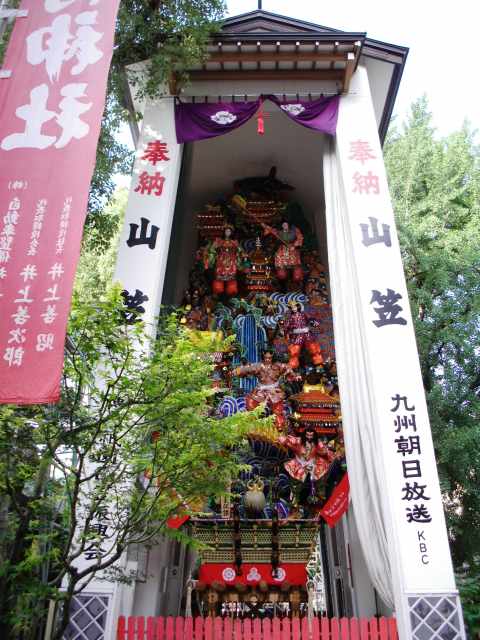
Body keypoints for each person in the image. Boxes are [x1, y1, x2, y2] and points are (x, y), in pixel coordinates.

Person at [234, 352, 299, 430]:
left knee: (278, 409)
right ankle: (253, 425)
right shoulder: (258, 366)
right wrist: (237, 371)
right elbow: (247, 368)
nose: (267, 360)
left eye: (269, 358)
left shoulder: (278, 366)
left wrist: (295, 376)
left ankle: (279, 426)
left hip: (274, 391)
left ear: (272, 358)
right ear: (263, 357)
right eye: (266, 358)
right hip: (260, 391)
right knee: (251, 403)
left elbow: (287, 368)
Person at [283, 302, 323, 369]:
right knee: (294, 351)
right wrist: (285, 332)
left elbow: (310, 320)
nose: (293, 309)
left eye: (295, 307)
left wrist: (315, 324)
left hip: (307, 334)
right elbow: (286, 326)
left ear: (298, 307)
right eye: (292, 308)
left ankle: (318, 363)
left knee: (313, 348)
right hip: (297, 336)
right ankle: (293, 365)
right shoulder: (290, 317)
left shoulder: (303, 314)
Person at [205, 225, 242, 296]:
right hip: (221, 261)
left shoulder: (234, 242)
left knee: (231, 277)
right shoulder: (219, 241)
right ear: (224, 232)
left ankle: (231, 290)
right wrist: (211, 259)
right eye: (226, 231)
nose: (227, 232)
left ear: (231, 233)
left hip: (231, 261)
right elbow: (212, 250)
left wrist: (239, 260)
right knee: (219, 276)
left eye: (229, 231)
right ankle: (218, 289)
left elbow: (239, 252)